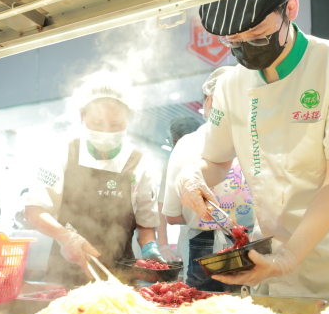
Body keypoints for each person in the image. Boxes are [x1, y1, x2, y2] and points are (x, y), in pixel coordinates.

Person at [177, 0, 329, 299]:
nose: (245, 46)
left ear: (290, 8)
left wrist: (289, 257)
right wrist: (192, 176)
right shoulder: (230, 84)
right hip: (270, 268)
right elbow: (216, 162)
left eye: (258, 35)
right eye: (233, 41)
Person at [24, 72, 164, 286]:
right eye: (97, 123)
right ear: (82, 116)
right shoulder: (62, 152)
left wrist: (150, 247)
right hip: (66, 271)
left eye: (115, 124)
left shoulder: (139, 162)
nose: (106, 130)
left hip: (121, 274)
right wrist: (66, 237)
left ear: (129, 119)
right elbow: (34, 211)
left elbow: (145, 223)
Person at [163, 67, 254, 292]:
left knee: (203, 305)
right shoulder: (259, 139)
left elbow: (172, 216)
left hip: (204, 245)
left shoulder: (187, 143)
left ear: (209, 101)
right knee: (251, 303)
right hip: (255, 240)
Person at [157, 117, 202, 265]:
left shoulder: (174, 163)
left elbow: (169, 216)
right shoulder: (221, 157)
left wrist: (163, 244)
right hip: (194, 234)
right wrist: (163, 244)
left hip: (194, 235)